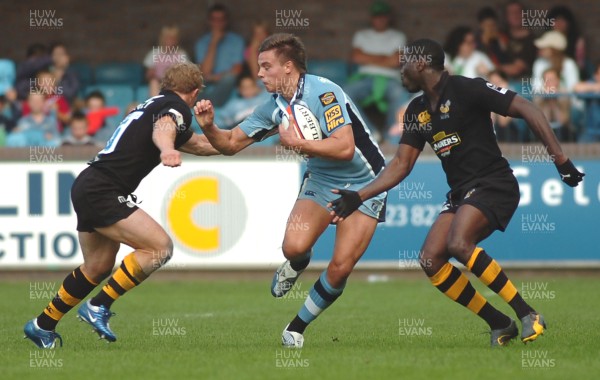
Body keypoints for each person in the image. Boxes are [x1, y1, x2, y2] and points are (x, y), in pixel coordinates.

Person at [329, 39, 584, 347]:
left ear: (421, 63)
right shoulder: (416, 110)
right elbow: (401, 164)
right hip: (462, 192)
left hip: (495, 183)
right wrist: (359, 196)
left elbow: (528, 108)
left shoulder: (468, 89)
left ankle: (528, 314)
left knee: (459, 243)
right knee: (430, 259)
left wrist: (560, 159)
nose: (401, 70)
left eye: (404, 63)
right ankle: (500, 323)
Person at [195, 33, 387, 348]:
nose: (258, 73)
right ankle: (297, 264)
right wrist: (208, 127)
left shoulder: (324, 93)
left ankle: (295, 329)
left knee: (340, 268)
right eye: (259, 67)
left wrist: (298, 143)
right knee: (293, 247)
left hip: (367, 184)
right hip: (323, 179)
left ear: (288, 67)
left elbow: (345, 147)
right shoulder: (274, 108)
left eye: (265, 66)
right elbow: (229, 144)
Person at [23, 62, 220, 349]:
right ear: (194, 91)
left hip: (90, 184)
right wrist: (167, 149)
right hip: (104, 189)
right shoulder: (176, 107)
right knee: (159, 248)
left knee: (98, 266)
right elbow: (164, 128)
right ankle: (98, 306)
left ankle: (42, 325)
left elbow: (202, 145)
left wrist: (244, 138)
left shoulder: (152, 104)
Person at [344, 0, 407, 139]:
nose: (380, 19)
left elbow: (396, 61)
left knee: (400, 93)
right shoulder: (361, 35)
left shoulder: (398, 36)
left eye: (383, 16)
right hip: (365, 78)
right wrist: (385, 58)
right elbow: (356, 57)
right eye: (377, 16)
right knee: (345, 93)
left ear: (389, 17)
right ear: (372, 18)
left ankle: (392, 135)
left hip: (391, 79)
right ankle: (370, 133)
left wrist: (368, 57)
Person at [195, 3, 245, 106]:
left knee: (229, 79)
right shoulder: (201, 42)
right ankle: (209, 103)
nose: (217, 23)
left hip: (225, 82)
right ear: (209, 21)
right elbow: (204, 72)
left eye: (221, 20)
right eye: (214, 19)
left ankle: (210, 104)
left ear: (226, 21)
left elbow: (237, 69)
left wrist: (218, 77)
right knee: (196, 82)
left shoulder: (236, 40)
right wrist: (214, 42)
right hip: (207, 83)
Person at [144, 25, 189, 97]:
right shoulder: (154, 53)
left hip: (175, 85)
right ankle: (156, 105)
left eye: (172, 39)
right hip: (159, 83)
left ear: (176, 40)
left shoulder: (181, 54)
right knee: (153, 82)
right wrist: (153, 73)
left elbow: (186, 75)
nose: (169, 41)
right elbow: (148, 75)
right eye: (167, 38)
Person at [497, 1, 537, 81]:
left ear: (524, 15)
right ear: (506, 16)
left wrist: (492, 67)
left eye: (518, 12)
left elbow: (516, 69)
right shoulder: (501, 36)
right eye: (511, 13)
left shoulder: (532, 40)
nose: (515, 15)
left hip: (523, 83)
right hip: (499, 83)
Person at [533, 68, 573, 141]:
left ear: (558, 80)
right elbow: (541, 121)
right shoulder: (538, 95)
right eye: (547, 80)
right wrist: (546, 98)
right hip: (543, 132)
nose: (549, 83)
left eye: (552, 80)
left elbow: (563, 120)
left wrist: (555, 99)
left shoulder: (564, 94)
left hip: (563, 132)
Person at [548, 5, 586, 78]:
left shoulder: (577, 41)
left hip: (571, 74)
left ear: (569, 23)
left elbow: (580, 64)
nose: (559, 23)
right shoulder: (545, 39)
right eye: (555, 20)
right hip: (549, 77)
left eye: (562, 20)